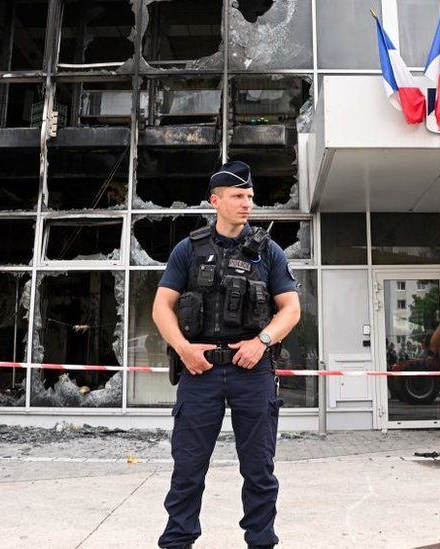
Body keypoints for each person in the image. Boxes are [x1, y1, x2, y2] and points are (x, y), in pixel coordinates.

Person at [152, 160, 301, 549]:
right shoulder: (188, 249)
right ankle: (177, 542)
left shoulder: (268, 252)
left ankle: (261, 542)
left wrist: (262, 341)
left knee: (259, 471)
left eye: (250, 196)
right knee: (187, 468)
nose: (247, 203)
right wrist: (183, 350)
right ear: (215, 201)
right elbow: (161, 307)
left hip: (252, 372)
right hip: (199, 371)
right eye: (238, 196)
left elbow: (291, 308)